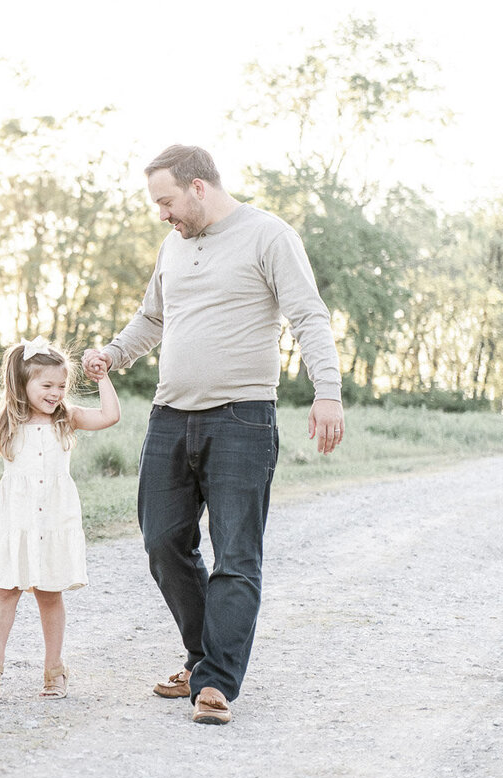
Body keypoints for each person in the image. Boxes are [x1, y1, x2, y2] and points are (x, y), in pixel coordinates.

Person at [83, 144, 344, 725]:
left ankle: (217, 683)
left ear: (198, 187)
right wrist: (113, 354)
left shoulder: (269, 236)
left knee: (236, 554)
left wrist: (327, 391)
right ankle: (204, 660)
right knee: (162, 542)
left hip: (241, 418)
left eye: (167, 200)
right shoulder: (172, 245)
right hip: (169, 415)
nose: (162, 213)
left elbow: (308, 316)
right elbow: (154, 317)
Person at [0, 336, 120, 700]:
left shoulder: (66, 418)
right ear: (23, 383)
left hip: (54, 521)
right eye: (47, 385)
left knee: (50, 594)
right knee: (5, 591)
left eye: (61, 386)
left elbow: (110, 416)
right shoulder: (5, 420)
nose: (56, 393)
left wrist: (103, 378)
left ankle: (55, 669)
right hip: (16, 521)